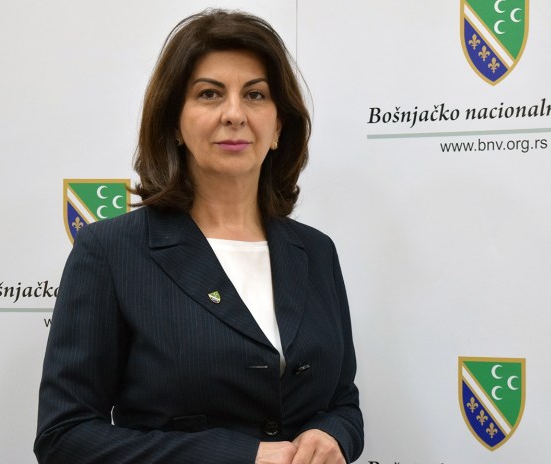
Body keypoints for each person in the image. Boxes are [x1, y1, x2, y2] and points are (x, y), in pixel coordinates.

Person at [35, 9, 363, 464]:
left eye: (255, 95)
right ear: (174, 122)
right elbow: (65, 437)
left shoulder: (316, 251)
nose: (235, 114)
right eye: (210, 94)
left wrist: (334, 434)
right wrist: (242, 457)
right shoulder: (111, 252)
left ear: (278, 126)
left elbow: (343, 402)